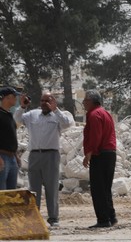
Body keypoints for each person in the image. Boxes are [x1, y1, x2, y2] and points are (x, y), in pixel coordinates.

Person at [14, 92, 73, 227]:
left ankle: (53, 218)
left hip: (51, 155)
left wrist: (56, 109)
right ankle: (35, 217)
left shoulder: (57, 116)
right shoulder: (32, 115)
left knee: (51, 187)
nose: (44, 103)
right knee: (34, 188)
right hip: (34, 155)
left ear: (53, 101)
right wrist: (22, 106)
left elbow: (68, 124)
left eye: (47, 100)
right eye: (42, 100)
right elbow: (16, 119)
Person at [81, 90, 117, 229]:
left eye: (85, 100)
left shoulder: (94, 114)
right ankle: (111, 217)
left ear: (91, 101)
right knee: (105, 188)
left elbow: (96, 136)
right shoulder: (105, 113)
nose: (83, 102)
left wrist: (89, 153)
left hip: (100, 154)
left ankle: (103, 219)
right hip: (110, 153)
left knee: (98, 189)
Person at [0, 87, 20, 190]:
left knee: (11, 193)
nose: (16, 98)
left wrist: (15, 156)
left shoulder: (9, 115)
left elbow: (11, 136)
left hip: (12, 158)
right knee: (2, 192)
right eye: (14, 96)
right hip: (2, 157)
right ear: (7, 98)